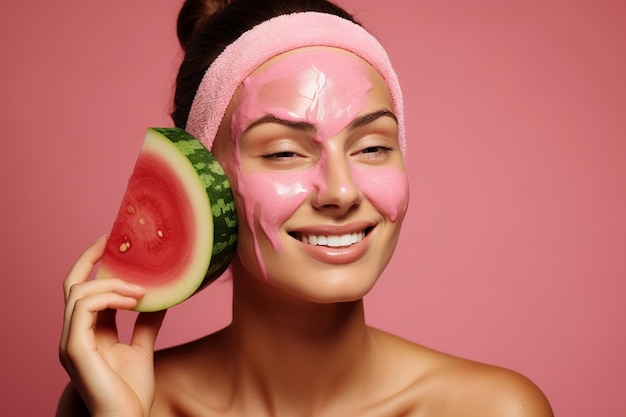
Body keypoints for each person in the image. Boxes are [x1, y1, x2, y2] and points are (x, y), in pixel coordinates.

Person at [57, 0, 554, 416]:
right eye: (283, 153)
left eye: (373, 147)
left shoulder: (494, 409)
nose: (340, 192)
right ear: (205, 181)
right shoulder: (117, 401)